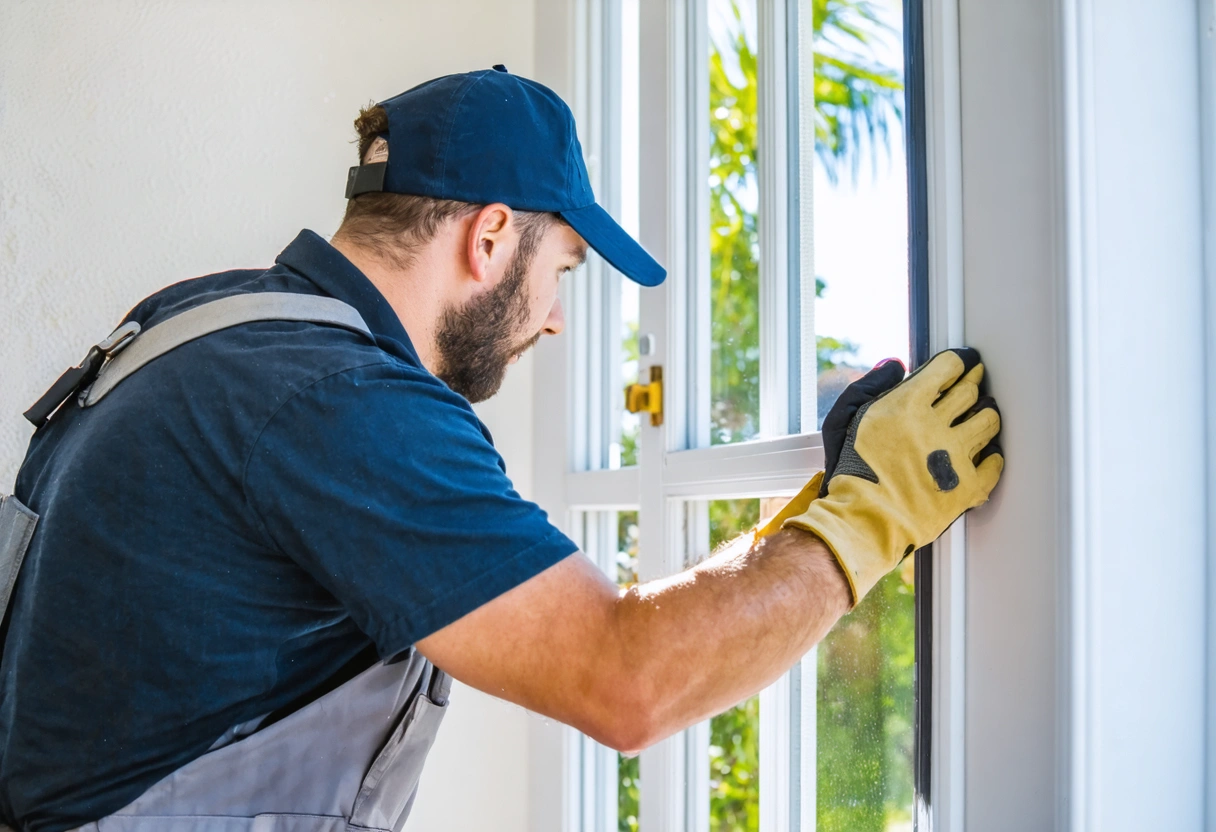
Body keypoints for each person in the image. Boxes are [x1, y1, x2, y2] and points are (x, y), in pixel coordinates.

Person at [0, 66, 1003, 832]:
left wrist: (813, 507)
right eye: (561, 267)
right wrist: (871, 517)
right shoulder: (345, 406)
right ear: (489, 238)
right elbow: (626, 677)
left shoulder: (196, 330)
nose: (556, 318)